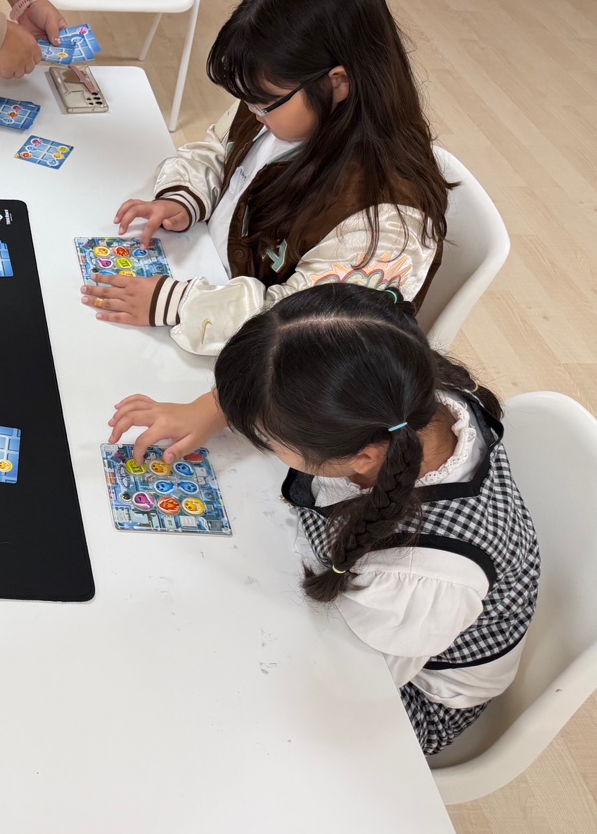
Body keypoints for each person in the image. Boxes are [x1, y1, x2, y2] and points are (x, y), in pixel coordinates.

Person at [113, 284, 539, 756]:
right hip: (365, 610)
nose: (265, 446)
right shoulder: (400, 387)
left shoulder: (419, 577)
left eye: (270, 440)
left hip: (395, 695)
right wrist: (215, 409)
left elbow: (345, 677)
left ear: (362, 458)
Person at [87, 0, 453, 358]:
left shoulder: (385, 223)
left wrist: (177, 304)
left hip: (266, 369)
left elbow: (303, 330)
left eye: (263, 103)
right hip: (204, 277)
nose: (252, 112)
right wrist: (184, 198)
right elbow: (218, 150)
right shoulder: (280, 102)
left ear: (338, 82)